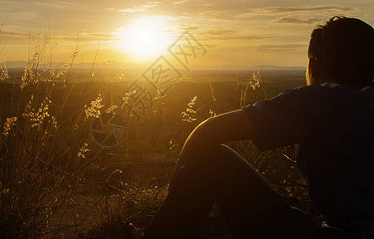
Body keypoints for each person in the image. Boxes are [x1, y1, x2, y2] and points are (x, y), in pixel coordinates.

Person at [129, 16, 374, 239]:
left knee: (209, 163)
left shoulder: (321, 100)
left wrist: (176, 196)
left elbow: (206, 132)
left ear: (315, 65)